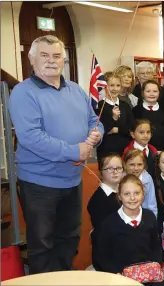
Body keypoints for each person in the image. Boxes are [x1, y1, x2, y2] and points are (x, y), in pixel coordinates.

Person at [8, 35, 104, 274]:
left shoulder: (75, 90)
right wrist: (75, 150)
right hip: (39, 183)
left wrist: (97, 134)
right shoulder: (23, 93)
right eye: (44, 55)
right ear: (31, 59)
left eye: (56, 55)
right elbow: (32, 138)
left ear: (64, 59)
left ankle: (62, 278)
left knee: (69, 238)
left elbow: (94, 120)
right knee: (42, 244)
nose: (51, 61)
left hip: (72, 180)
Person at [97, 175, 164, 285]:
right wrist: (116, 273)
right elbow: (102, 255)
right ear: (119, 196)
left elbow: (156, 246)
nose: (132, 198)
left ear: (143, 194)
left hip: (148, 273)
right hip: (121, 276)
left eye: (137, 193)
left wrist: (155, 265)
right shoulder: (109, 223)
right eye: (127, 194)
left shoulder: (149, 217)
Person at [87, 154, 123, 270]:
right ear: (101, 173)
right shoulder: (98, 200)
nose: (115, 172)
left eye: (118, 168)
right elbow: (102, 236)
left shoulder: (124, 194)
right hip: (108, 257)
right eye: (110, 169)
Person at [96, 72, 135, 159]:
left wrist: (116, 130)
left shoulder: (125, 105)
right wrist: (113, 118)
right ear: (105, 87)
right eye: (111, 85)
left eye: (118, 85)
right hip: (106, 150)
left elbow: (131, 127)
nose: (115, 89)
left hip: (125, 149)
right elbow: (101, 129)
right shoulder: (100, 106)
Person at [132, 79, 164, 151]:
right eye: (148, 91)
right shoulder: (136, 111)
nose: (151, 94)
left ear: (159, 93)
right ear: (142, 93)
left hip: (163, 149)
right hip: (142, 150)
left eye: (155, 91)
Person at [123, 149, 158, 217]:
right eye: (132, 164)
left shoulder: (147, 179)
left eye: (139, 164)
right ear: (125, 165)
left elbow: (151, 204)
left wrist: (152, 221)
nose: (136, 168)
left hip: (143, 218)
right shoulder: (120, 179)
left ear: (144, 165)